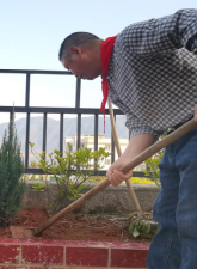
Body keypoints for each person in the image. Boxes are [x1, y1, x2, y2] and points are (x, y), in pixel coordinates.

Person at [58, 8, 197, 269]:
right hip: (177, 141)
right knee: (168, 219)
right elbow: (142, 124)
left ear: (78, 51)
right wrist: (125, 161)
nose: (74, 76)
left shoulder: (129, 41)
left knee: (192, 221)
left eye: (70, 68)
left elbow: (188, 20)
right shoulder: (115, 84)